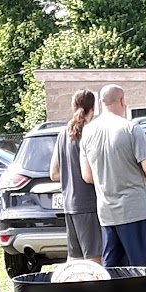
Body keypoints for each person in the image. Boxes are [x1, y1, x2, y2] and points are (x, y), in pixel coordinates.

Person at [80, 84, 146, 268]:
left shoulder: (87, 132)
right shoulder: (131, 128)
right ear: (122, 101)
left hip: (106, 212)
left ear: (100, 103)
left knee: (111, 270)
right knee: (144, 268)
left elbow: (87, 176)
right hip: (135, 210)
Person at [49, 89, 102, 260]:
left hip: (69, 205)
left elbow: (54, 173)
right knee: (94, 259)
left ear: (73, 107)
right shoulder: (90, 132)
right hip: (89, 204)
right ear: (93, 109)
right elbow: (90, 175)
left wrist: (70, 175)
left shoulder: (63, 133)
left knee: (75, 259)